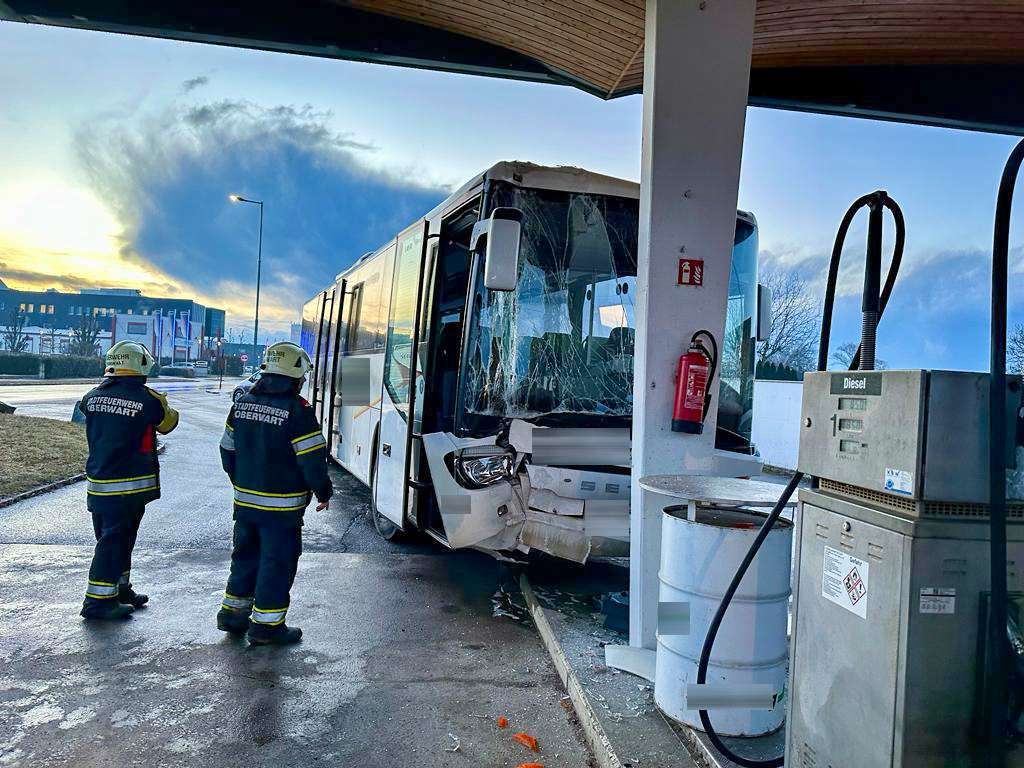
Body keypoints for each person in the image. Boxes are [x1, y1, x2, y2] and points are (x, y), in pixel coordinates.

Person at [216, 341, 332, 645]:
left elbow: (227, 450)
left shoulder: (241, 404)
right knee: (276, 562)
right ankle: (267, 627)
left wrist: (241, 482)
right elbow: (312, 462)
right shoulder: (298, 411)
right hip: (281, 510)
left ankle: (232, 615)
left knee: (245, 557)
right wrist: (323, 492)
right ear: (295, 377)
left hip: (245, 504)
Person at [79, 341, 179, 621]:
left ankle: (119, 589)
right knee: (114, 542)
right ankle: (97, 603)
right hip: (128, 485)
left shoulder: (91, 396)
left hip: (99, 482)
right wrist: (162, 401)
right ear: (142, 365)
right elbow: (168, 424)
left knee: (116, 539)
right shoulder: (147, 399)